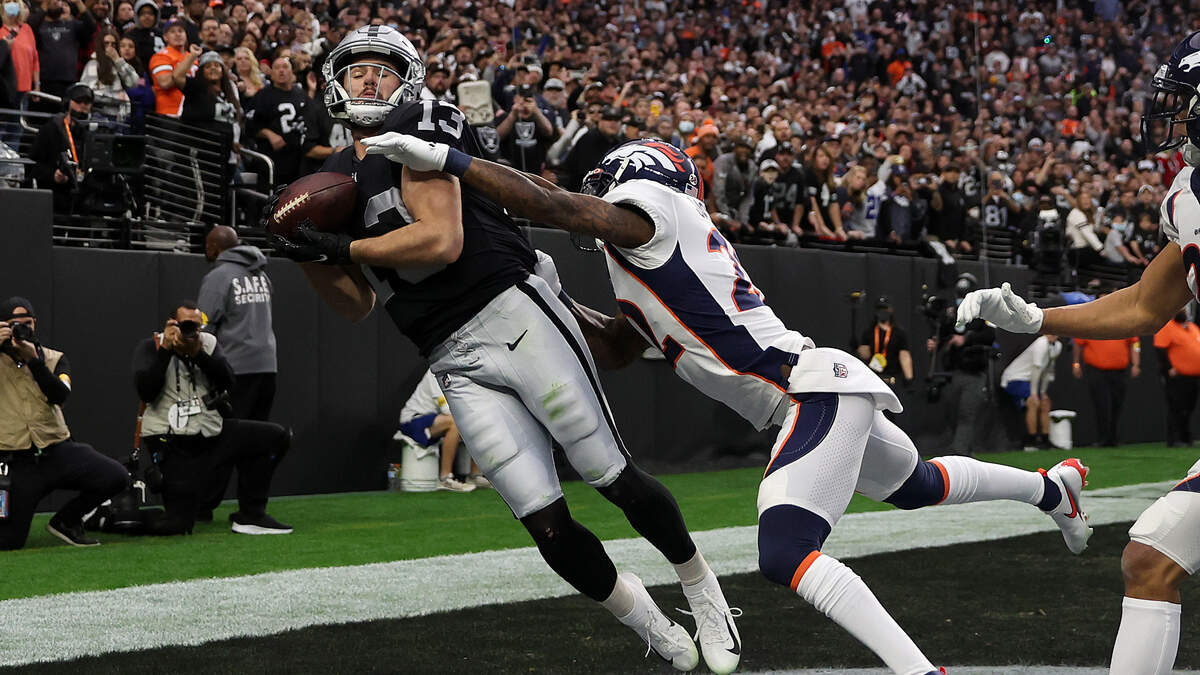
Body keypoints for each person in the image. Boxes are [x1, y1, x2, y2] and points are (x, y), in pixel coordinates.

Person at [363, 132, 1094, 675]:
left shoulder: (655, 212)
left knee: (785, 551)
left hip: (805, 390)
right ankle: (1051, 489)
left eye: (606, 184)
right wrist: (556, 298)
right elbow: (616, 346)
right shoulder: (645, 259)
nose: (601, 195)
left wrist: (451, 160)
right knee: (916, 485)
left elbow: (559, 205)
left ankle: (919, 671)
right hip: (810, 390)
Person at [266, 26, 731, 671]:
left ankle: (703, 590)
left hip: (510, 312)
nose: (368, 79)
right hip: (448, 354)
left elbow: (442, 241)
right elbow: (356, 305)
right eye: (356, 70)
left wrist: (343, 246)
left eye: (382, 69)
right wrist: (306, 253)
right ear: (335, 85)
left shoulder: (423, 123)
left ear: (407, 80)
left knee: (610, 474)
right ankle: (650, 623)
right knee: (544, 522)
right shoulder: (330, 180)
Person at [956, 32, 1200, 674]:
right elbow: (1145, 304)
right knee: (1149, 559)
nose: (1171, 115)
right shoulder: (1187, 195)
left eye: (1184, 101)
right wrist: (1038, 319)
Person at [133, 300, 291, 536]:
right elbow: (146, 392)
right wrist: (166, 350)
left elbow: (229, 381)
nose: (192, 332)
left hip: (209, 431)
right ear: (171, 324)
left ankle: (252, 514)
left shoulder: (207, 343)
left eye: (197, 326)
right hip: (172, 441)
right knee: (177, 524)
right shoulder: (152, 347)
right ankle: (118, 518)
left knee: (274, 437)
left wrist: (198, 354)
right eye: (186, 325)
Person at [0, 297, 127, 549]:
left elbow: (60, 395)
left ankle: (66, 521)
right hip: (15, 463)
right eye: (14, 324)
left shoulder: (53, 358)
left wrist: (34, 362)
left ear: (35, 323)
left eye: (27, 323)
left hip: (56, 451)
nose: (22, 330)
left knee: (116, 476)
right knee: (8, 541)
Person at [397, 369, 489, 492]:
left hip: (435, 419)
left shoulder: (461, 373)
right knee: (454, 422)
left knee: (478, 422)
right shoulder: (435, 372)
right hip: (412, 420)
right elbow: (447, 410)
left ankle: (474, 476)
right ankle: (445, 479)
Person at [1073, 317, 1140, 447]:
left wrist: (1136, 364)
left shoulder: (1125, 323)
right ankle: (1103, 438)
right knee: (1101, 403)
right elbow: (1078, 343)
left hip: (1119, 371)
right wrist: (1076, 363)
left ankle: (1113, 437)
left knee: (1117, 403)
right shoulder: (1090, 323)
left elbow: (1135, 344)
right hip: (1096, 370)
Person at [28, 83, 91, 211]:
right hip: (54, 195)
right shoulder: (51, 129)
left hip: (82, 197)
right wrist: (53, 175)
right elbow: (33, 165)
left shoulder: (89, 134)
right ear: (68, 102)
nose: (83, 106)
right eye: (78, 101)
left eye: (87, 102)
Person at [249, 55, 307, 185]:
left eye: (285, 67)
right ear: (271, 73)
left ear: (292, 72)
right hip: (275, 158)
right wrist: (269, 134)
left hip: (299, 158)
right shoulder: (263, 95)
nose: (281, 71)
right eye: (277, 68)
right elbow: (250, 125)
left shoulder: (300, 93)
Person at [999, 334, 1062, 450]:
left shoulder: (1057, 346)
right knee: (1033, 402)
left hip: (1029, 381)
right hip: (1014, 378)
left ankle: (1045, 440)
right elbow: (1036, 368)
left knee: (1045, 403)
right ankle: (1031, 441)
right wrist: (1034, 394)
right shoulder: (1041, 342)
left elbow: (1048, 371)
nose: (1053, 334)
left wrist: (1043, 392)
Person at [28, 0, 95, 106]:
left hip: (68, 82)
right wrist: (45, 5)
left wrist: (78, 3)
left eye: (58, 0)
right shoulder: (39, 25)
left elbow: (91, 27)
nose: (55, 2)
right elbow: (30, 26)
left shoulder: (72, 25)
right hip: (44, 82)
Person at [1154, 310, 1200, 447]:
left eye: (1184, 309)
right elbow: (1160, 349)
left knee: (1189, 408)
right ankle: (1174, 439)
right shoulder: (1167, 327)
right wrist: (1168, 368)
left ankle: (1186, 437)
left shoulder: (1193, 327)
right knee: (1176, 407)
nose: (1183, 311)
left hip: (1193, 376)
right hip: (1177, 376)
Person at [856, 297, 913, 388]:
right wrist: (860, 349)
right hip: (873, 377)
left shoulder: (899, 333)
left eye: (885, 308)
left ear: (890, 310)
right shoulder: (869, 332)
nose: (882, 311)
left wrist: (909, 378)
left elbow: (904, 355)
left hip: (892, 378)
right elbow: (865, 355)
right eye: (880, 309)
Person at [80, 28, 136, 119]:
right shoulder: (93, 64)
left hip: (120, 116)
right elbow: (89, 93)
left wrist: (117, 60)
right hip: (99, 116)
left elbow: (134, 82)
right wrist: (117, 98)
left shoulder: (119, 63)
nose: (110, 47)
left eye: (113, 44)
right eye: (106, 43)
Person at [149, 21, 194, 117]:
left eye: (180, 31)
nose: (177, 34)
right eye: (172, 32)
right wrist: (189, 61)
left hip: (191, 113)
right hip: (169, 113)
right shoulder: (160, 57)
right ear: (165, 37)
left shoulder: (192, 57)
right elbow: (165, 83)